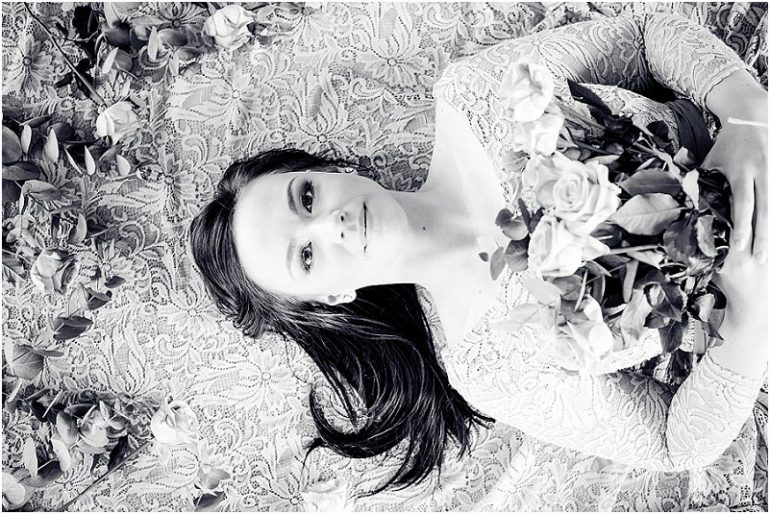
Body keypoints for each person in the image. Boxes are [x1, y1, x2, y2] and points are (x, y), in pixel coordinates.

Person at [190, 12, 768, 507]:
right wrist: (750, 308)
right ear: (332, 297)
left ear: (330, 171)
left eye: (306, 197)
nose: (329, 224)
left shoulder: (475, 93)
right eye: (306, 255)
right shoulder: (489, 370)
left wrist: (745, 115)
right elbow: (672, 441)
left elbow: (643, 37)